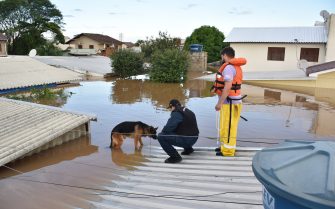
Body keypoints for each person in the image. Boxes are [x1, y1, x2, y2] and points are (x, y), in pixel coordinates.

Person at [211, 47, 247, 156]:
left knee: (228, 127)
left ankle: (228, 151)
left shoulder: (228, 68)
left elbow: (227, 87)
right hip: (231, 102)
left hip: (229, 103)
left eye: (221, 56)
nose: (221, 58)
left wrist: (219, 103)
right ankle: (224, 147)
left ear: (224, 55)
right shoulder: (236, 67)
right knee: (225, 126)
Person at [157, 99, 199, 163]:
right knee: (181, 129)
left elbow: (168, 128)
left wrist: (163, 131)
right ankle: (188, 149)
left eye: (170, 108)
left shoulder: (176, 113)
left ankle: (175, 157)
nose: (170, 110)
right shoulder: (187, 110)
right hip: (195, 138)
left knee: (161, 136)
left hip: (187, 140)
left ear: (173, 106)